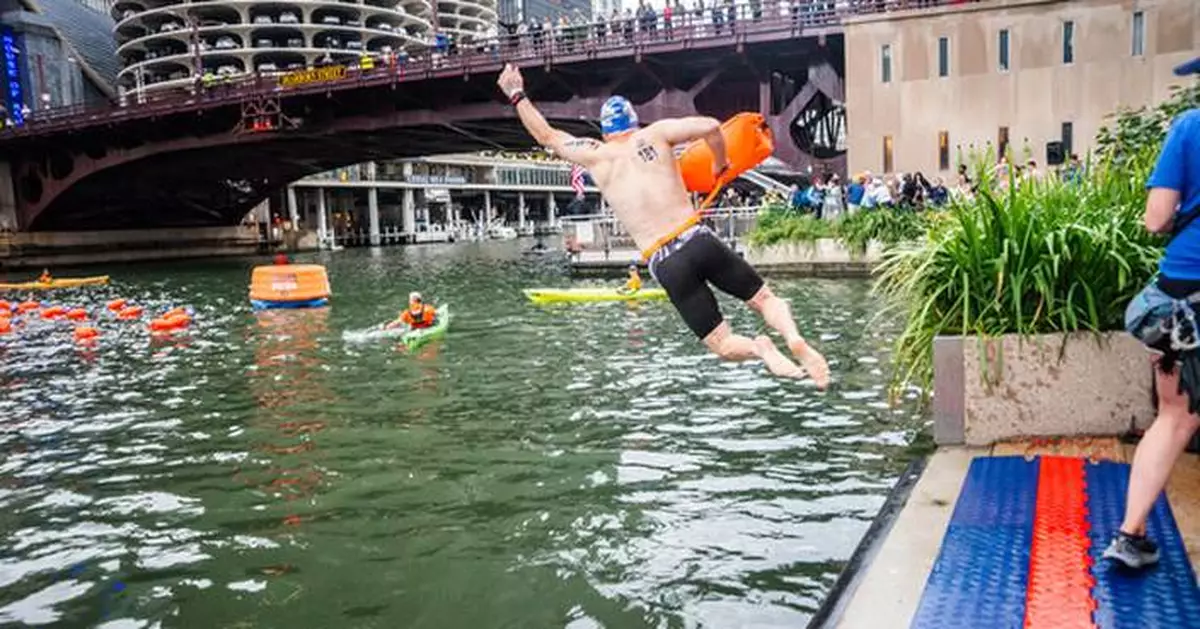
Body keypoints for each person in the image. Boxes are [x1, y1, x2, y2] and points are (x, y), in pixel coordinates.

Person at [496, 64, 829, 386]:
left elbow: (547, 136)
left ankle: (761, 349)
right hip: (696, 238)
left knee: (722, 344)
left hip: (664, 260)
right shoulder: (654, 135)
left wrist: (516, 94)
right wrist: (719, 163)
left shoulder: (596, 156)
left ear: (605, 130)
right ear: (633, 121)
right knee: (765, 299)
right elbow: (712, 126)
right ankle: (793, 338)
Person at [1105, 54, 1200, 570]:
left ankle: (1131, 533)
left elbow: (1156, 219)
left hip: (1186, 288)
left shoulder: (1189, 126)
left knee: (1173, 417)